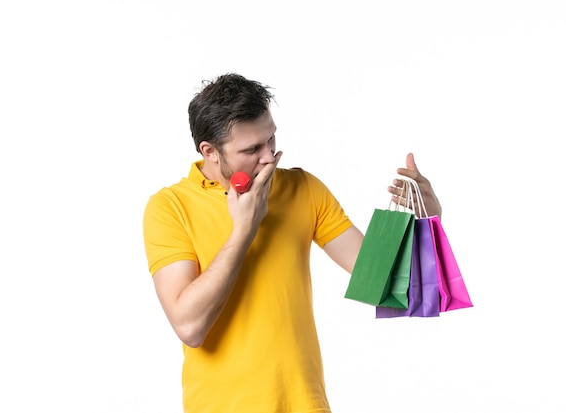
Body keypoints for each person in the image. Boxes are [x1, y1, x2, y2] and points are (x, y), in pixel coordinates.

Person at [142, 73, 442, 413]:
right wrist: (244, 229)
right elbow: (189, 326)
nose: (269, 157)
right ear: (210, 152)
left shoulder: (303, 188)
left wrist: (428, 223)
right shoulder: (169, 208)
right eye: (251, 149)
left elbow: (388, 285)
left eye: (271, 140)